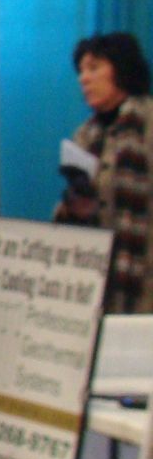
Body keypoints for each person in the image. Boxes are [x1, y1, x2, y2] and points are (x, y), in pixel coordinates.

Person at [54, 32, 153, 315]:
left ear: (121, 68)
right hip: (97, 290)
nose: (83, 78)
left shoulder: (147, 124)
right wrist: (75, 208)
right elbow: (66, 223)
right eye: (80, 71)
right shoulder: (85, 136)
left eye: (94, 68)